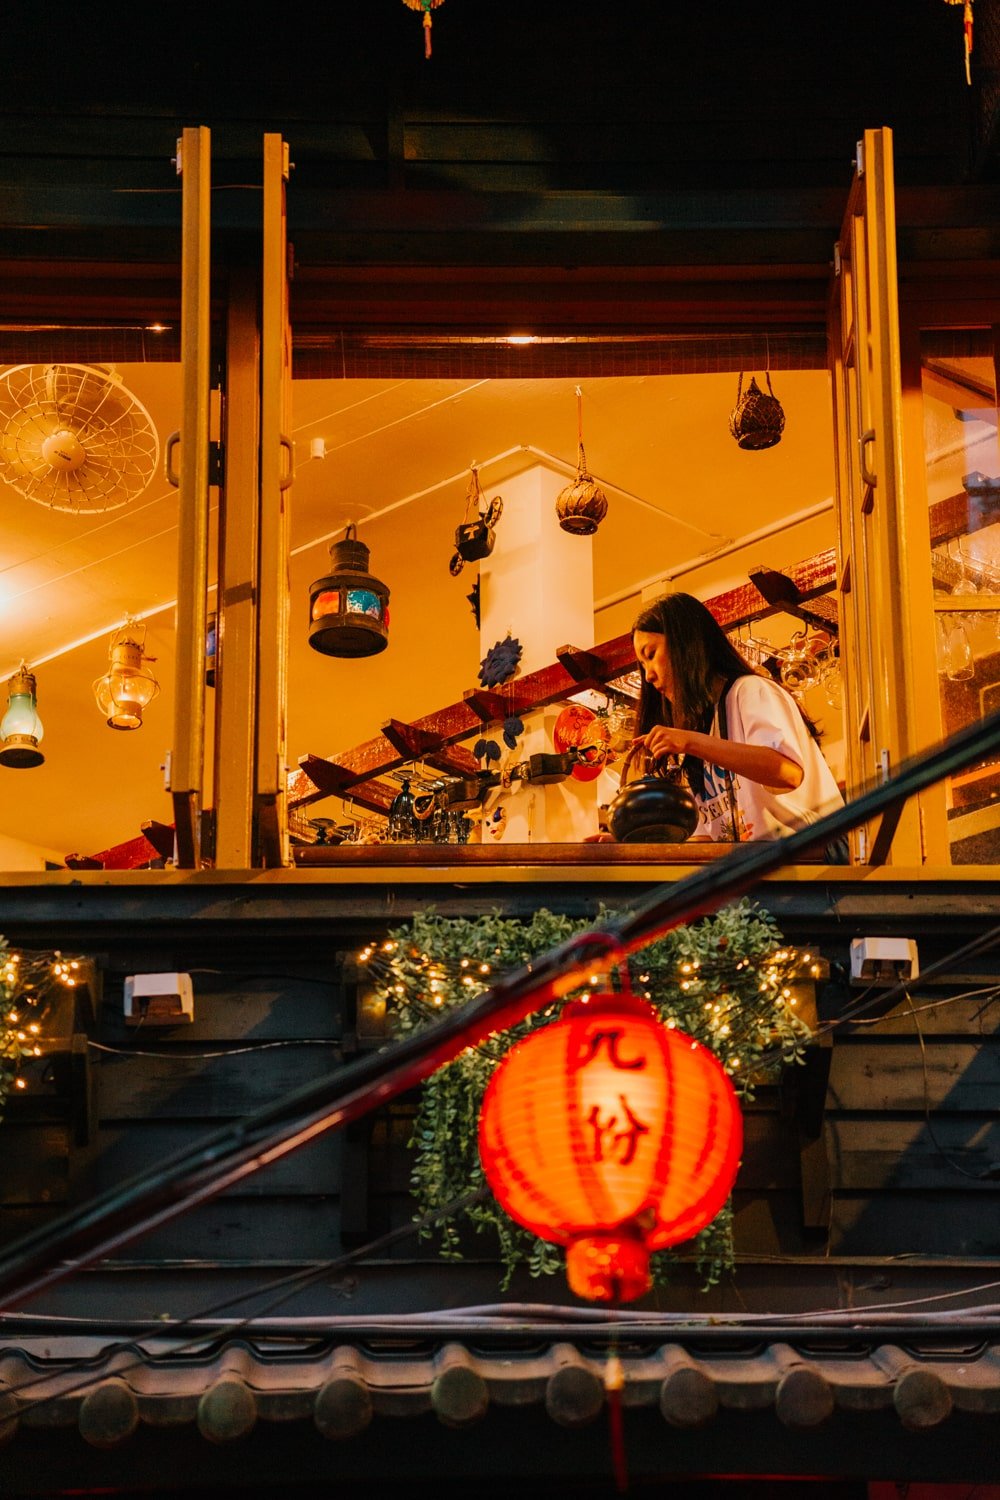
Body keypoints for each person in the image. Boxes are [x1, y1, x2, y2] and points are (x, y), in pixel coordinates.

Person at [630, 592, 844, 846]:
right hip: (765, 874)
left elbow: (787, 773)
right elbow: (704, 839)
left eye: (651, 654)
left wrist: (690, 741)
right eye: (642, 665)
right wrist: (631, 842)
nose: (649, 677)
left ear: (685, 644)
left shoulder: (750, 691)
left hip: (817, 867)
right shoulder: (703, 730)